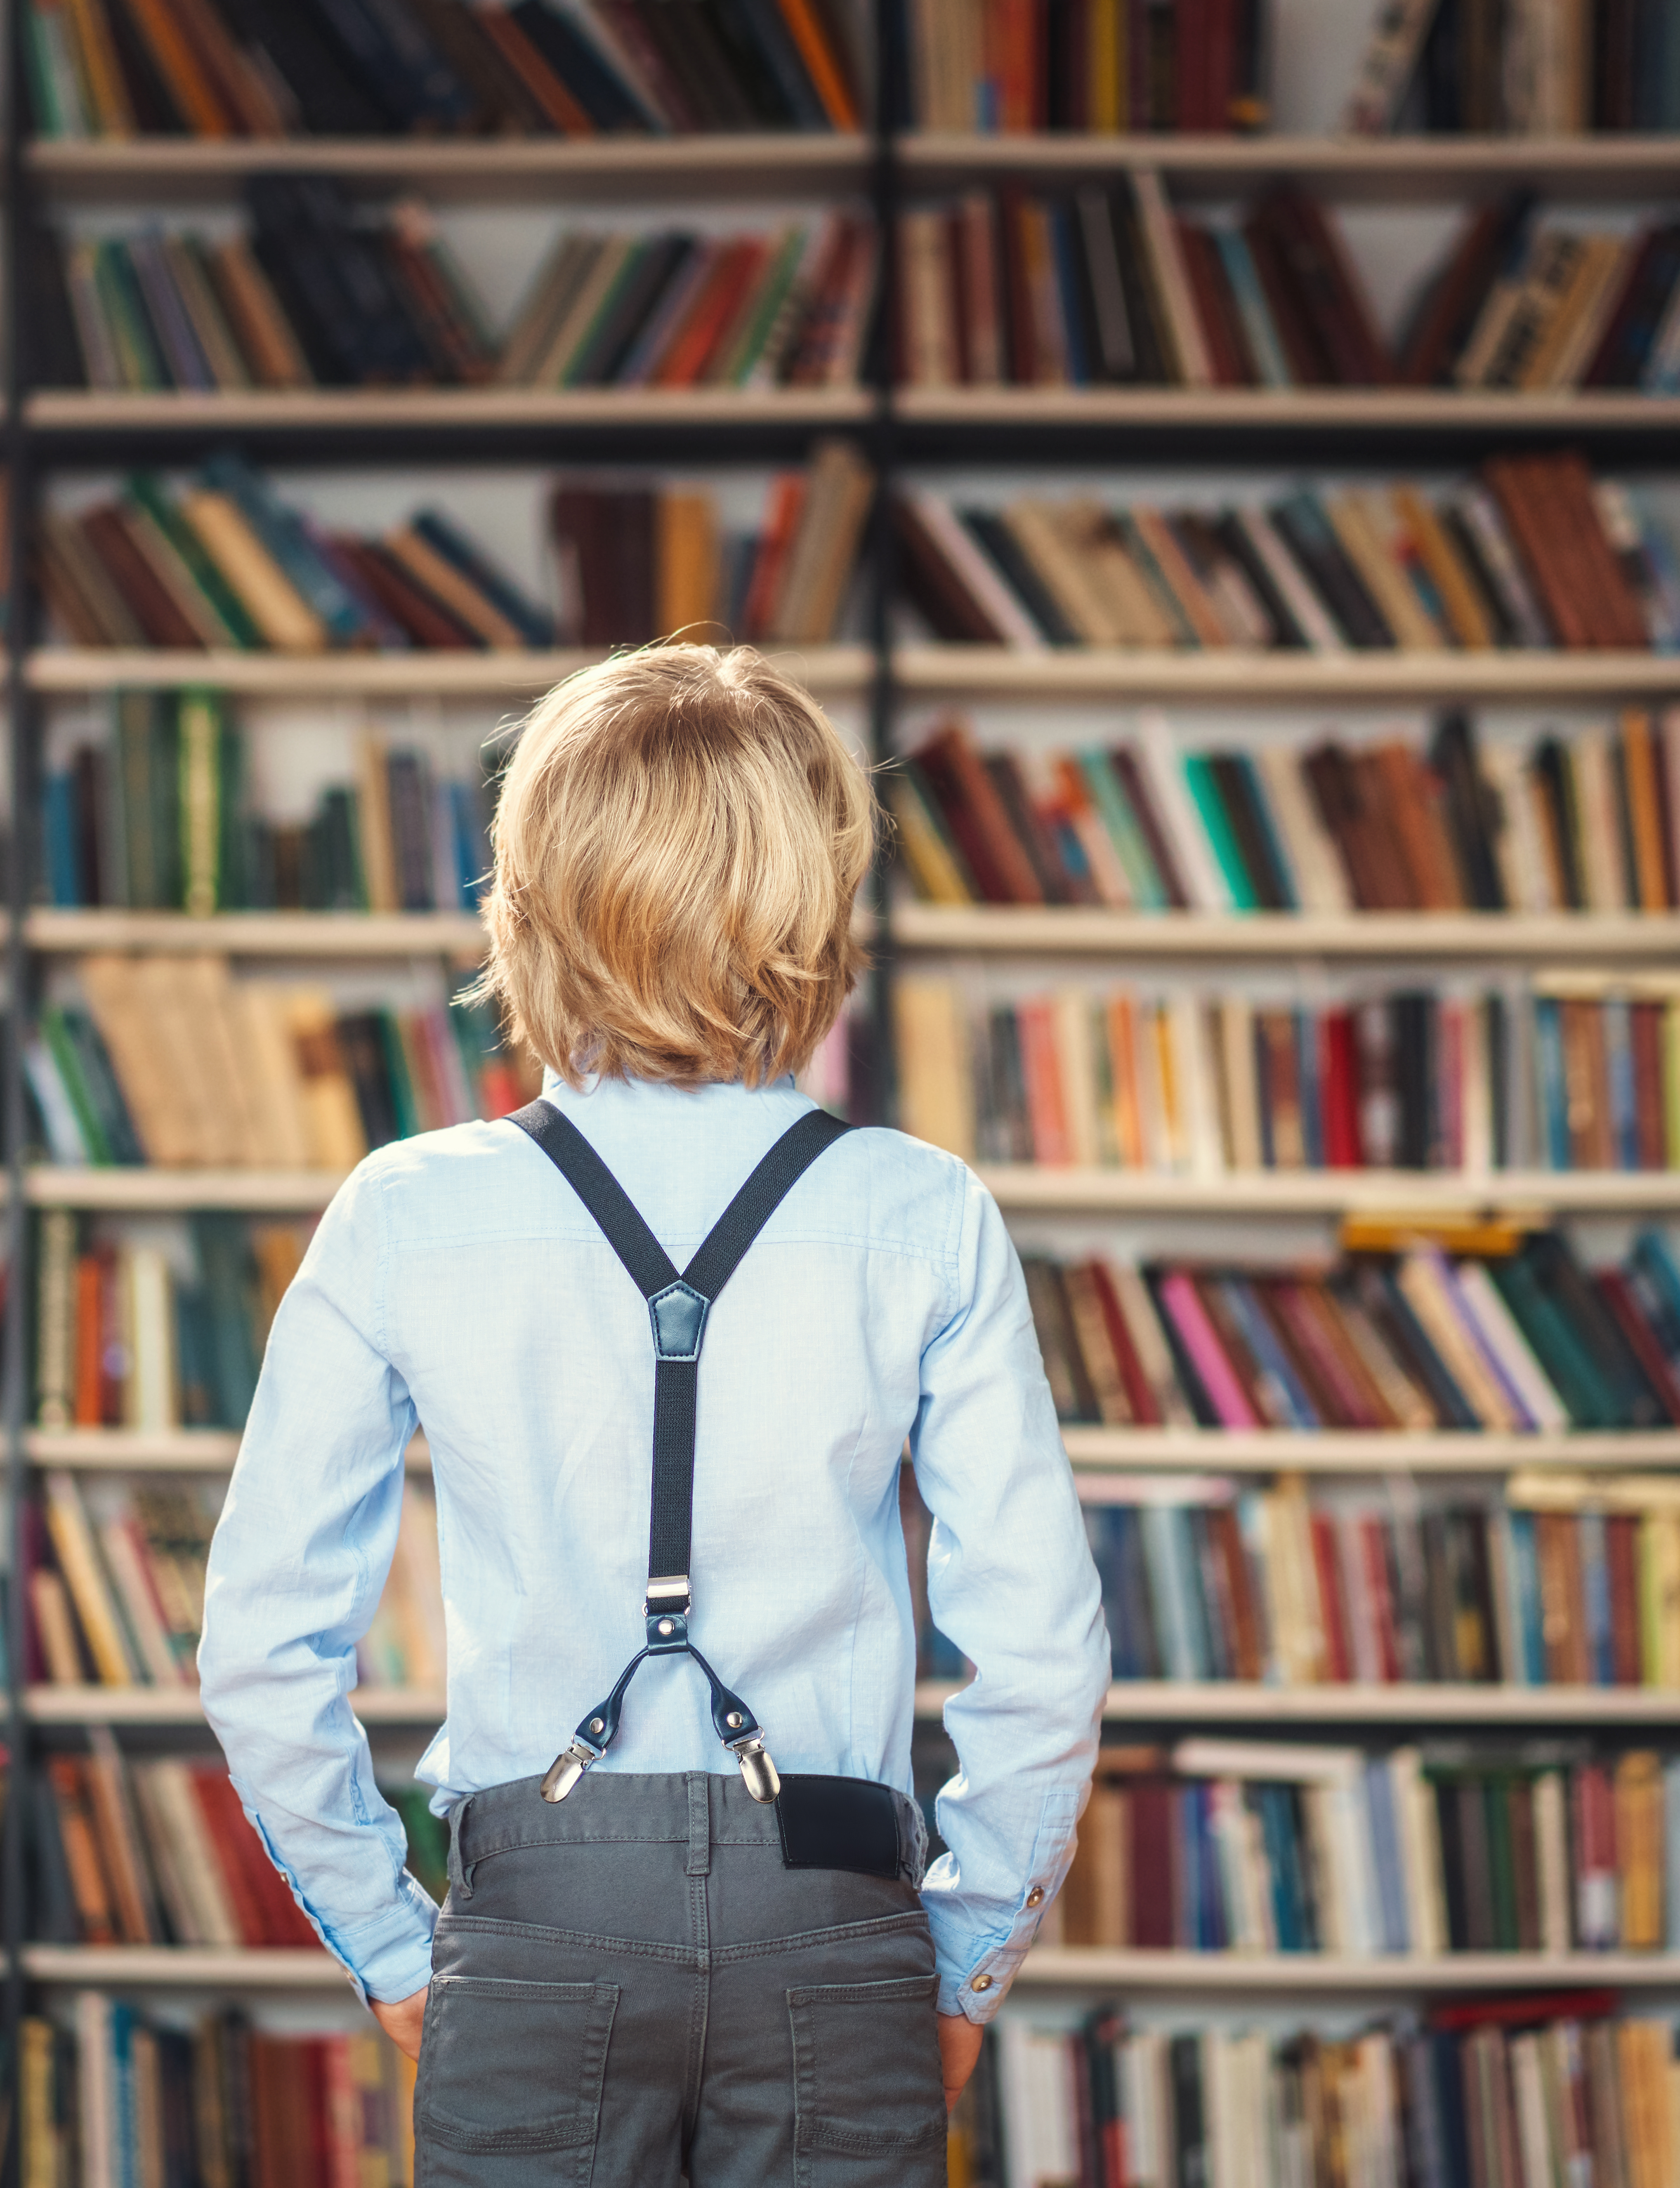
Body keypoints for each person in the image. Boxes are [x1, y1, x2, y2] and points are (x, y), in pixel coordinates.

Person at [197, 643, 1110, 2186]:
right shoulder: (923, 1211)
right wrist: (962, 1960)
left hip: (534, 1925)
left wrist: (388, 1945)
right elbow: (1045, 1653)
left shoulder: (405, 1213)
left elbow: (258, 1648)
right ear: (817, 901)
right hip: (839, 1919)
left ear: (531, 900)